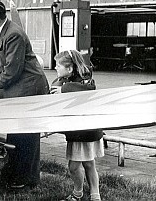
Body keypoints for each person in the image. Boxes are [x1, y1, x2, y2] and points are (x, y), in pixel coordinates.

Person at [0, 0, 49, 189]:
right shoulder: (1, 32)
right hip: (19, 89)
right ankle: (11, 174)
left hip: (28, 89)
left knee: (26, 136)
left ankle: (26, 179)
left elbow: (12, 71)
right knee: (15, 135)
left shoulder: (14, 34)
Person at [50, 50, 103, 201]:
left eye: (58, 65)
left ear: (70, 68)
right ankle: (94, 195)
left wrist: (63, 90)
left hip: (85, 131)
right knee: (89, 163)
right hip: (79, 131)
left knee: (76, 166)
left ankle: (79, 194)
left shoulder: (85, 80)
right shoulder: (66, 80)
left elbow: (89, 89)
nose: (55, 68)